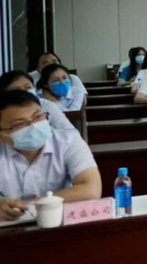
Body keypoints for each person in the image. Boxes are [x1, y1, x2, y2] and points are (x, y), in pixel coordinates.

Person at [0, 90, 101, 219]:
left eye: (38, 117)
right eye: (19, 124)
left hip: (58, 222)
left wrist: (26, 206)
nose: (34, 127)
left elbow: (91, 189)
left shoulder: (68, 140)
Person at [0, 70, 76, 133]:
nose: (25, 92)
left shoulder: (47, 105)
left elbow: (68, 132)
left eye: (28, 87)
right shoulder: (3, 112)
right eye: (17, 90)